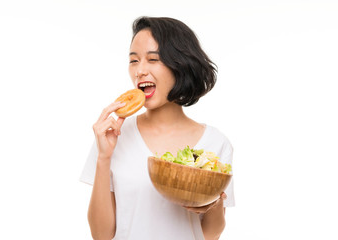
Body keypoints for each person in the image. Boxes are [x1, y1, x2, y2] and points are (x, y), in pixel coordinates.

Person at [80, 16, 235, 240]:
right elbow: (101, 235)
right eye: (134, 60)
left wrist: (213, 201)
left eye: (153, 59)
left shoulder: (215, 143)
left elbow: (211, 233)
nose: (140, 71)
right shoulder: (112, 136)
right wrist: (103, 157)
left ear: (180, 65)